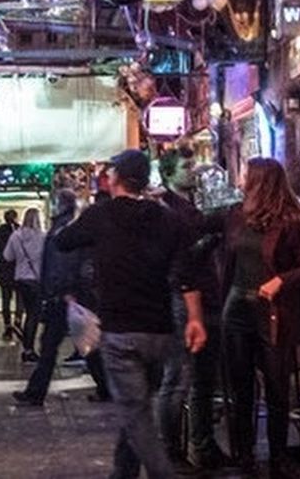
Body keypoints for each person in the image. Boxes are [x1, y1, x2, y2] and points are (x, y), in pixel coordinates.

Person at [56, 150, 207, 479]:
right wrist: (195, 318)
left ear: (115, 179)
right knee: (136, 406)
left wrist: (82, 212)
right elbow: (186, 273)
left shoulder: (101, 215)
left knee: (136, 412)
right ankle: (122, 473)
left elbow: (62, 242)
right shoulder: (168, 218)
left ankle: (162, 473)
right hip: (160, 330)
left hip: (121, 331)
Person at [221, 157, 300, 479]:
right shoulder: (236, 215)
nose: (242, 178)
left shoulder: (290, 221)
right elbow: (228, 261)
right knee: (241, 388)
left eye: (247, 173)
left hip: (272, 311)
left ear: (260, 181)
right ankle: (244, 457)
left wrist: (281, 280)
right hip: (237, 307)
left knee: (277, 388)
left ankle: (278, 458)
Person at [155, 151, 226, 471]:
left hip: (209, 295)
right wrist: (206, 242)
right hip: (181, 300)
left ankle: (203, 443)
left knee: (204, 379)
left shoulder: (197, 202)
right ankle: (170, 449)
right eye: (186, 166)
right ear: (169, 173)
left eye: (193, 164)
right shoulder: (166, 209)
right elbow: (176, 259)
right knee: (178, 377)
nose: (193, 170)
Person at [13, 188, 82, 406]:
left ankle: (35, 392)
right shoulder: (61, 227)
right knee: (52, 345)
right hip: (58, 294)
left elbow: (62, 262)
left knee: (52, 345)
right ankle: (35, 391)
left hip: (61, 296)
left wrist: (62, 290)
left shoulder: (64, 229)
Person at [2, 208, 46, 361]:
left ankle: (27, 347)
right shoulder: (43, 237)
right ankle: (28, 349)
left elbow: (7, 256)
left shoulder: (16, 236)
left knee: (28, 312)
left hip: (20, 279)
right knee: (34, 315)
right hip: (36, 280)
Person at [0, 209, 20, 340]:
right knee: (20, 299)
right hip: (18, 270)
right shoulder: (20, 231)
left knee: (6, 299)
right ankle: (18, 322)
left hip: (4, 270)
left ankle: (7, 326)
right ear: (15, 218)